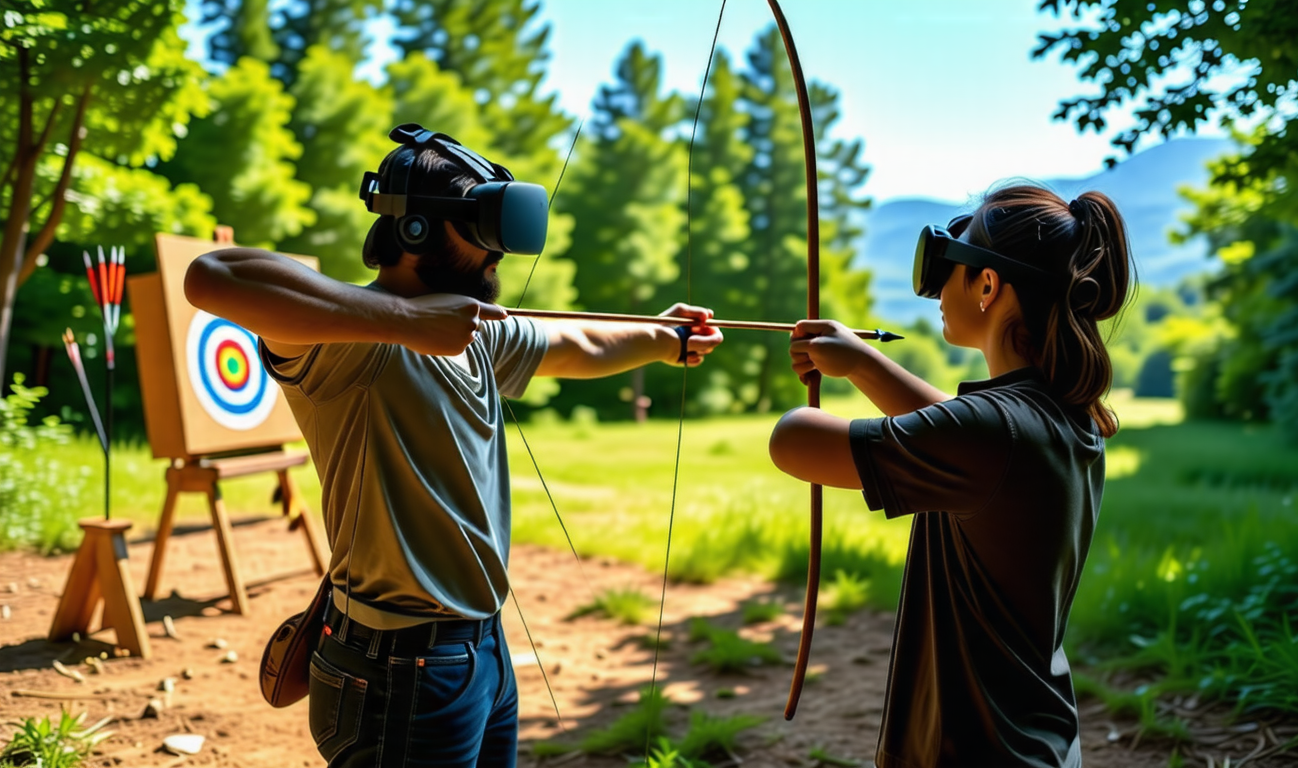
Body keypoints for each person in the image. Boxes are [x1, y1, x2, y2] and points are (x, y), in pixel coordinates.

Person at [183, 124, 723, 768]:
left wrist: (663, 338)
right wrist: (404, 321)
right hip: (400, 664)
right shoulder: (341, 336)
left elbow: (577, 345)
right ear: (415, 231)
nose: (499, 256)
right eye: (482, 233)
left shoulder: (472, 334)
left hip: (482, 651)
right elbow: (212, 276)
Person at [770, 184, 1134, 768]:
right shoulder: (1058, 413)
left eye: (952, 268)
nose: (939, 290)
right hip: (1035, 737)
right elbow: (958, 430)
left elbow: (792, 443)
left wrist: (801, 405)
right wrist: (861, 362)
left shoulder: (994, 431)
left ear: (988, 285)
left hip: (970, 747)